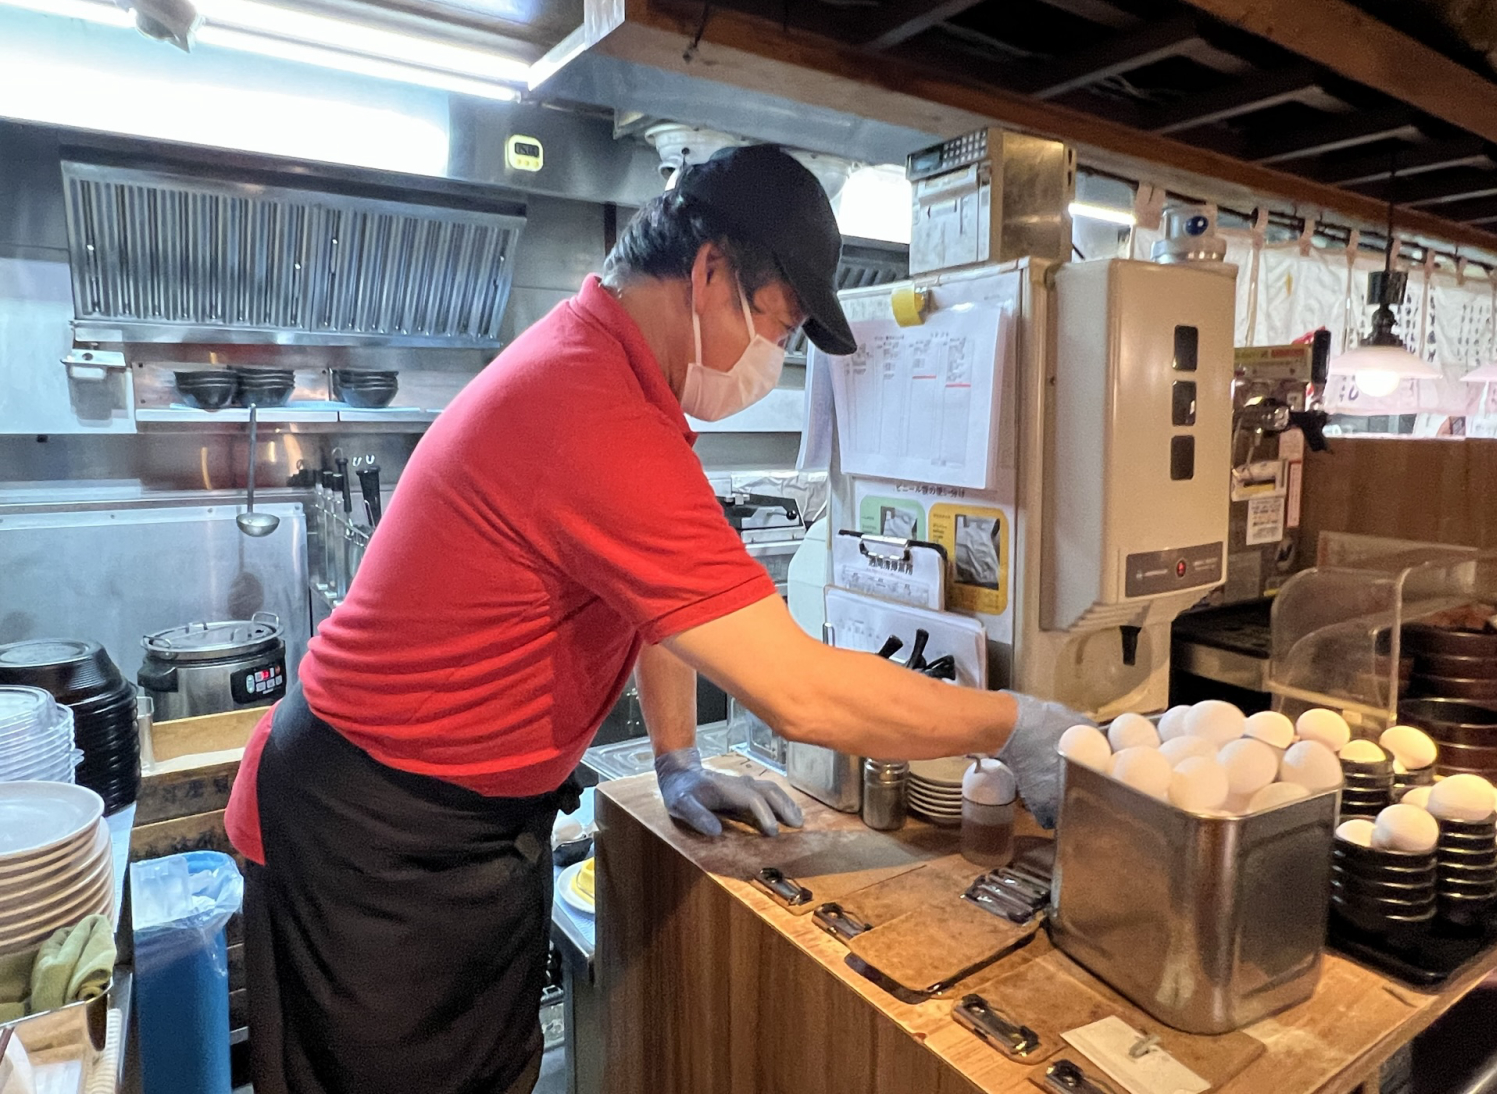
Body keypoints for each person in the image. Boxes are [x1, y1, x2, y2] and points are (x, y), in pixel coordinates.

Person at [224, 144, 1082, 1094]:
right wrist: (1018, 727)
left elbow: (663, 607)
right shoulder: (589, 402)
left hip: (459, 828)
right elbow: (796, 692)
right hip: (369, 837)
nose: (775, 357)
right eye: (779, 324)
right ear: (711, 270)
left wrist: (678, 760)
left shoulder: (619, 382)